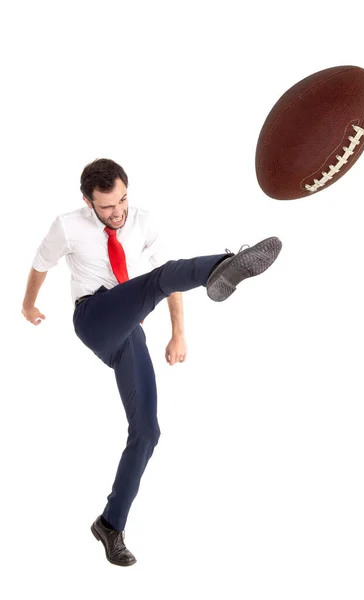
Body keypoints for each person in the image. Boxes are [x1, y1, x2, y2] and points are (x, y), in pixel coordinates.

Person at [21, 158, 282, 567]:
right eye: (107, 206)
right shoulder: (67, 225)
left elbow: (169, 278)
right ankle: (222, 263)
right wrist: (27, 304)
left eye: (123, 199)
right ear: (87, 201)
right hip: (94, 317)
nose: (118, 212)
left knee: (147, 431)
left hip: (129, 331)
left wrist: (178, 333)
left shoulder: (143, 221)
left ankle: (110, 524)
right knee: (158, 280)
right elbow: (41, 263)